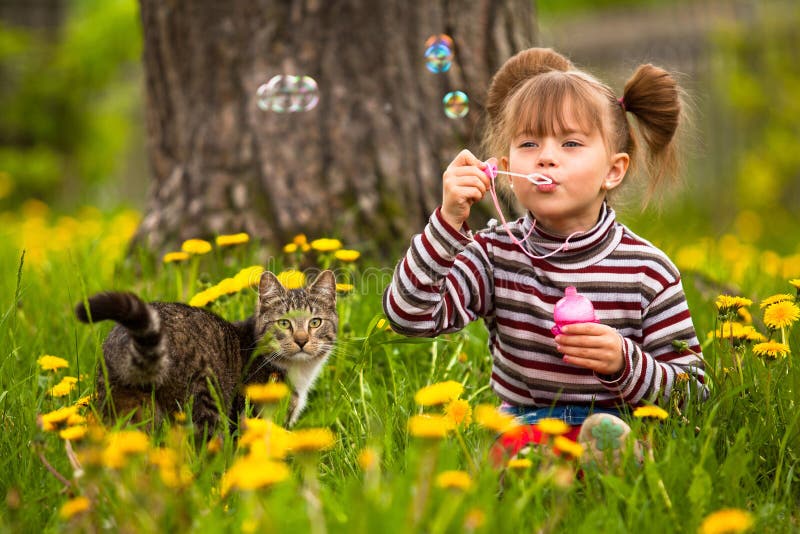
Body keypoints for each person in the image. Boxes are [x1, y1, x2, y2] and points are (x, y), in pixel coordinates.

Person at [383, 47, 707, 466]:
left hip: (620, 420)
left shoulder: (648, 270)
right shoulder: (494, 254)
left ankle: (602, 460)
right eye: (529, 142)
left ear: (614, 169)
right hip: (526, 426)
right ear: (504, 167)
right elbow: (408, 317)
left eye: (571, 143)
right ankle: (548, 473)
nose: (546, 156)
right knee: (518, 455)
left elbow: (694, 393)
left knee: (620, 443)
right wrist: (448, 223)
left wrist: (623, 362)